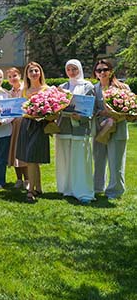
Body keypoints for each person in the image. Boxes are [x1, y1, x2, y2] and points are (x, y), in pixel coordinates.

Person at [56, 59, 95, 203]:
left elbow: (91, 108)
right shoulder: (62, 86)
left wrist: (81, 116)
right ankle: (67, 189)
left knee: (80, 160)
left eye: (74, 69)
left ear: (79, 69)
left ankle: (83, 191)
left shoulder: (87, 86)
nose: (71, 72)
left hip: (80, 129)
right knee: (65, 160)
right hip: (64, 127)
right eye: (69, 69)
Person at [92, 59, 129, 199]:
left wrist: (114, 115)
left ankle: (115, 191)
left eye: (105, 69)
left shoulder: (123, 88)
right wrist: (101, 113)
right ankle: (97, 188)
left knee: (116, 163)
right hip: (100, 130)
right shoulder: (93, 89)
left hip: (118, 129)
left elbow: (129, 108)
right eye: (99, 70)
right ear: (95, 73)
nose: (102, 72)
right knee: (99, 161)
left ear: (111, 71)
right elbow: (91, 109)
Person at [16, 62, 50, 203]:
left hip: (40, 125)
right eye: (31, 71)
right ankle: (38, 188)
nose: (34, 73)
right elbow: (19, 107)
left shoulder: (47, 89)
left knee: (32, 157)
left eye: (36, 70)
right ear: (27, 75)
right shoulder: (24, 90)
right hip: (26, 124)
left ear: (40, 72)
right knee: (31, 158)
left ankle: (31, 190)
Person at [6, 67, 28, 190]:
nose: (12, 78)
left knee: (24, 152)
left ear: (19, 75)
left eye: (14, 75)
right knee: (14, 152)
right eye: (9, 77)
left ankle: (27, 179)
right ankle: (19, 179)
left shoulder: (26, 89)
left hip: (24, 124)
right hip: (13, 125)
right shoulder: (9, 93)